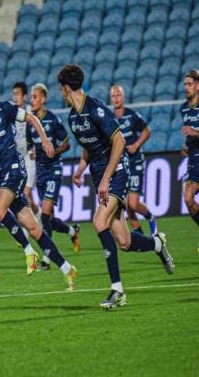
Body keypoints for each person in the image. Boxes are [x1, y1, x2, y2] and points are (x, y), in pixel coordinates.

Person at [58, 64, 174, 309]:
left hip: (117, 170)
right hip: (100, 174)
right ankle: (157, 244)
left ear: (67, 88)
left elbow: (119, 141)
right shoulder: (73, 118)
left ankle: (117, 290)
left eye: (61, 89)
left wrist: (106, 178)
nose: (61, 94)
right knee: (124, 241)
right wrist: (80, 170)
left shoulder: (96, 109)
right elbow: (88, 147)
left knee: (99, 221)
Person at [0, 72, 77, 289]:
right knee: (35, 229)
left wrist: (44, 139)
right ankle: (66, 268)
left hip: (16, 169)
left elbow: (31, 118)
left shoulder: (4, 108)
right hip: (2, 177)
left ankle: (28, 251)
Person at [26, 83, 81, 271]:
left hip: (54, 170)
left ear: (43, 99)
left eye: (35, 97)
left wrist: (54, 151)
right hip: (40, 171)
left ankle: (47, 259)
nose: (32, 100)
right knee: (48, 220)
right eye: (31, 97)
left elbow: (67, 144)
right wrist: (33, 152)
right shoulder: (31, 123)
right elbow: (31, 145)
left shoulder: (53, 120)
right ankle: (72, 231)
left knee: (45, 213)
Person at [110, 85, 157, 235]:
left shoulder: (132, 115)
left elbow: (147, 131)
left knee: (133, 203)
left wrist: (136, 145)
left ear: (123, 97)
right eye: (113, 96)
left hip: (135, 161)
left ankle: (150, 217)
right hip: (121, 165)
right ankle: (141, 237)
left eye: (118, 95)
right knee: (126, 205)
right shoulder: (110, 118)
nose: (116, 98)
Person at [11, 82, 41, 220]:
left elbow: (40, 130)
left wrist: (37, 147)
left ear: (24, 96)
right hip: (17, 158)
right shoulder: (11, 113)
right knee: (23, 196)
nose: (15, 97)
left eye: (17, 94)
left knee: (26, 193)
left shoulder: (31, 112)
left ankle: (31, 225)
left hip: (29, 156)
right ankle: (38, 217)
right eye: (13, 94)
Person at [180, 69, 199, 236]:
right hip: (194, 161)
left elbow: (193, 131)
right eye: (185, 84)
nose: (186, 87)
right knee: (188, 198)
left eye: (190, 84)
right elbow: (189, 135)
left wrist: (195, 132)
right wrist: (187, 145)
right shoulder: (183, 109)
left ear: (197, 86)